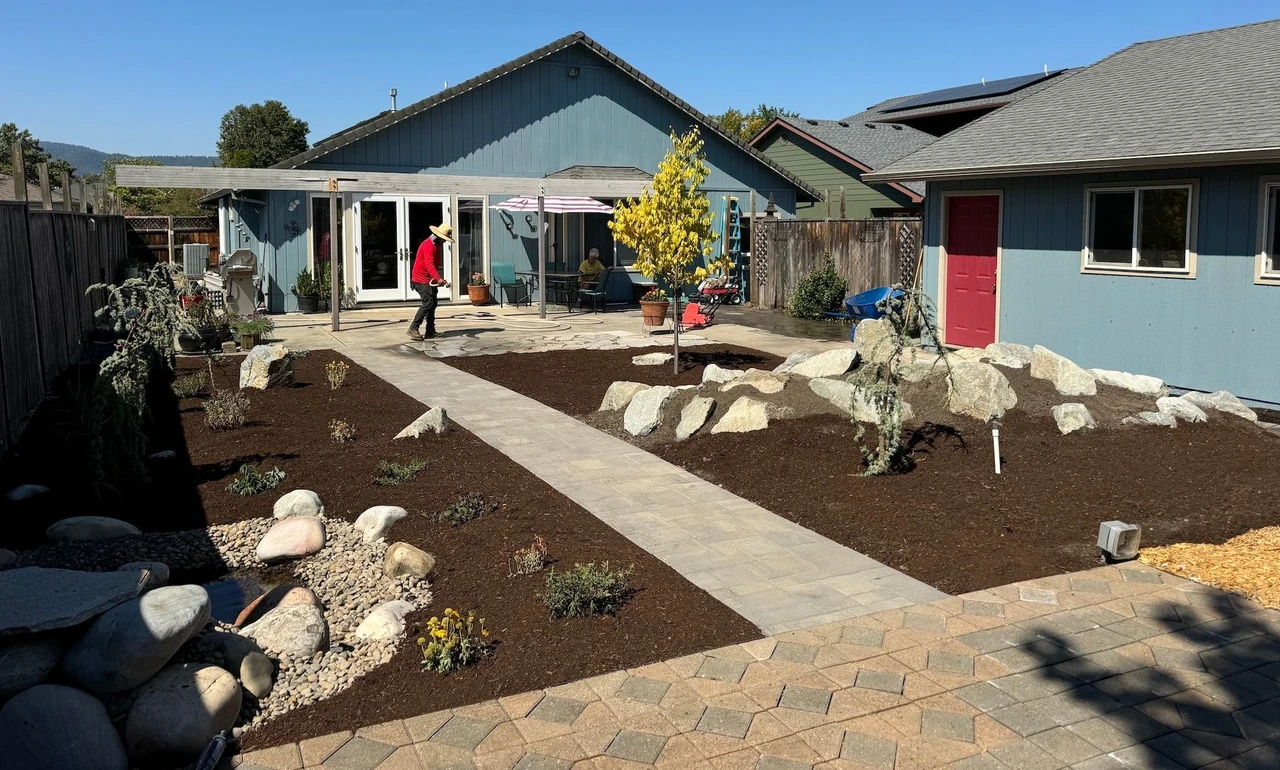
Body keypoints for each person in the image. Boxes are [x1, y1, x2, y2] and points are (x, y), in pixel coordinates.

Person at [408, 223, 454, 340]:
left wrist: (436, 278)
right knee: (428, 303)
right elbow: (429, 264)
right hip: (421, 280)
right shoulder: (429, 245)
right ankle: (413, 328)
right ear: (438, 236)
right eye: (444, 239)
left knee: (433, 304)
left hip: (428, 279)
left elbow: (432, 265)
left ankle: (430, 331)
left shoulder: (436, 245)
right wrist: (438, 279)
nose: (444, 241)